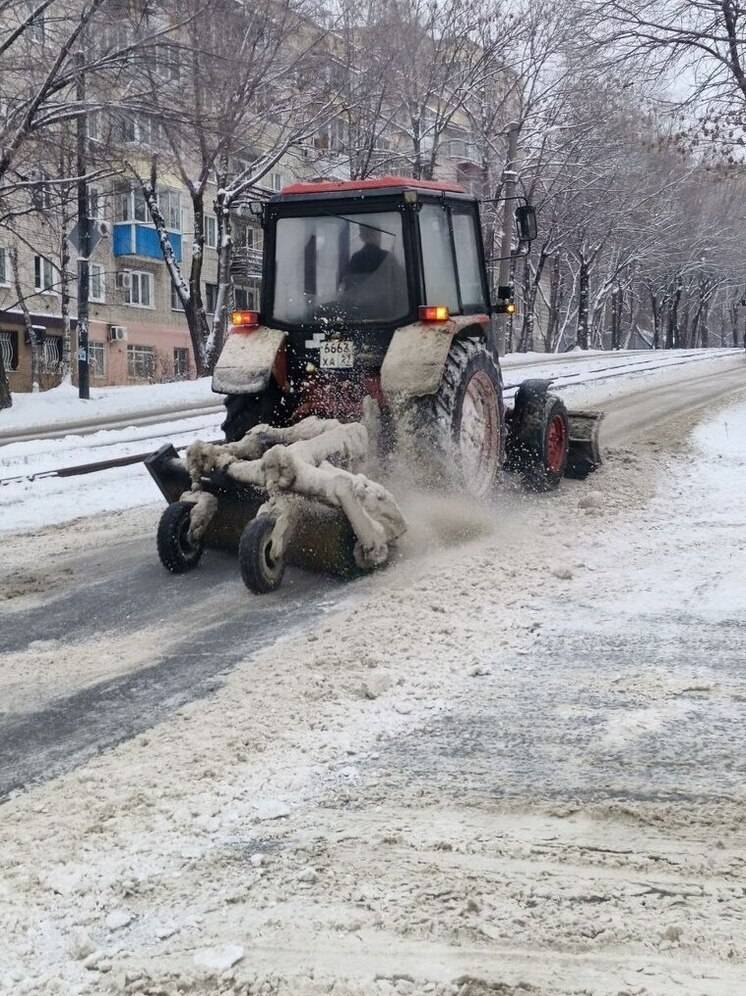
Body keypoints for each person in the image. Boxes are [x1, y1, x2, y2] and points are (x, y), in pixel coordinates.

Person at [338, 224, 407, 319]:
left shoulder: (356, 258)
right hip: (386, 312)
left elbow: (348, 287)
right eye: (377, 234)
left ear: (361, 236)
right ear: (378, 235)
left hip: (360, 312)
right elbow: (401, 285)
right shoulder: (387, 258)